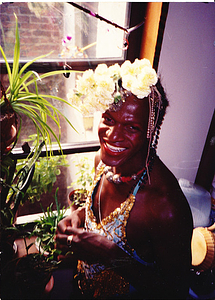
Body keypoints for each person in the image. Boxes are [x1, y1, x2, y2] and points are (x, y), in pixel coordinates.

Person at [55, 58, 193, 299]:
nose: (112, 136)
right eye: (108, 119)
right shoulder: (103, 161)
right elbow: (96, 207)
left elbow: (176, 291)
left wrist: (111, 255)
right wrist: (76, 216)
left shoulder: (165, 207)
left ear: (150, 131)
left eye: (131, 127)